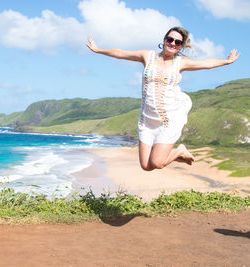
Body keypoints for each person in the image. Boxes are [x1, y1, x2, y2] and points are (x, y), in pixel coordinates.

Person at [86, 26, 240, 171]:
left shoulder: (180, 63)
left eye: (177, 42)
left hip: (168, 119)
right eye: (170, 39)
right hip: (147, 119)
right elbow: (120, 53)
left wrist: (226, 61)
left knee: (157, 163)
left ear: (180, 47)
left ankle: (179, 150)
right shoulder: (148, 56)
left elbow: (207, 63)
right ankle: (176, 153)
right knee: (146, 166)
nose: (172, 43)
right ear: (164, 40)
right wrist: (98, 50)